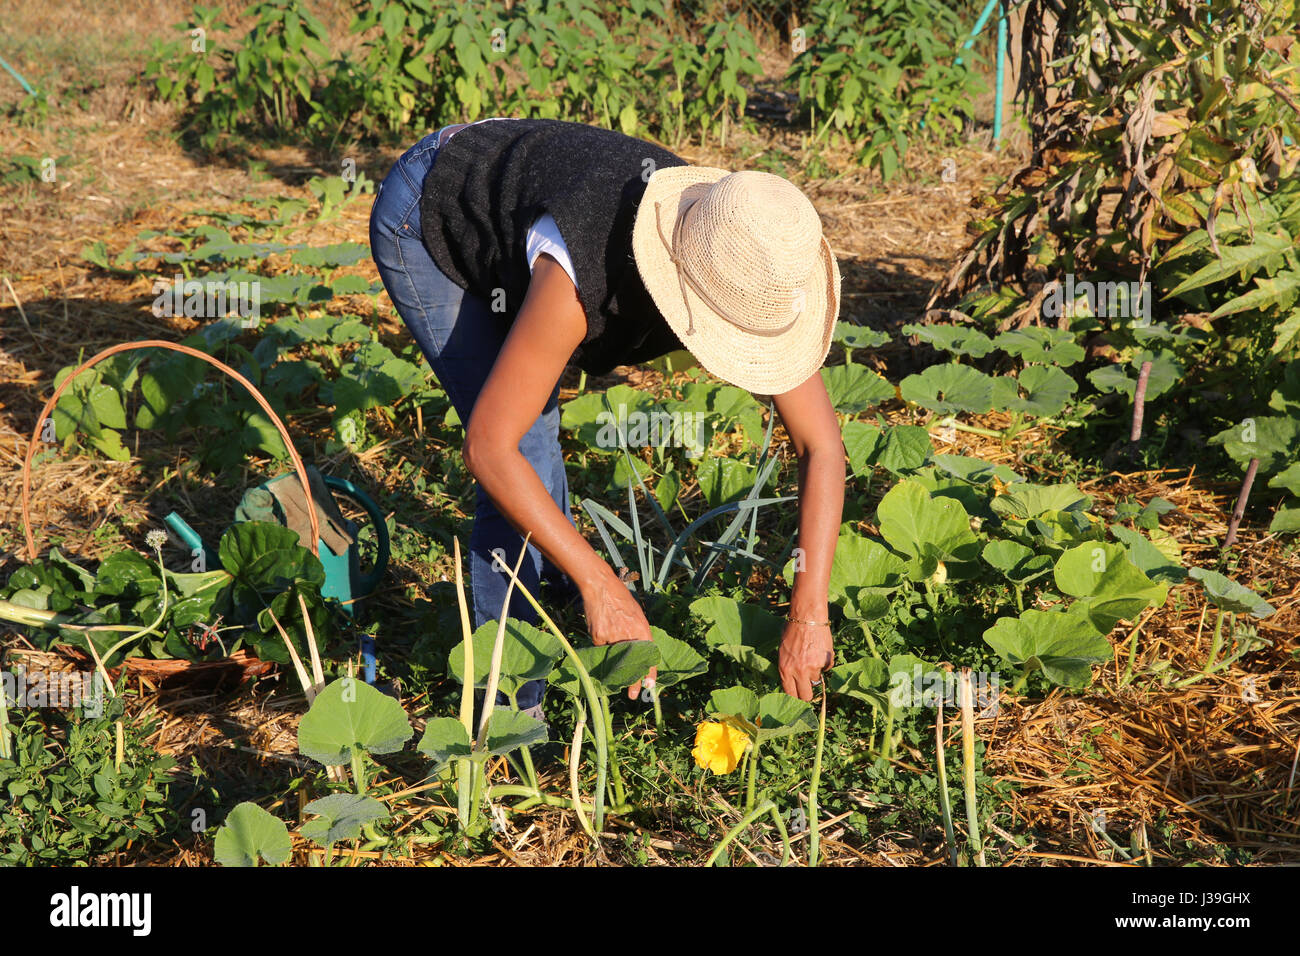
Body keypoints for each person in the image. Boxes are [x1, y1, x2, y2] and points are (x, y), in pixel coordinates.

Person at [368, 117, 844, 716]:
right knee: (522, 449)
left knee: (531, 432)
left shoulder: (752, 260)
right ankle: (508, 712)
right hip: (433, 209)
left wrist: (809, 613)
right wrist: (603, 584)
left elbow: (822, 448)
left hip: (533, 194)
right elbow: (490, 447)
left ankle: (565, 612)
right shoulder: (583, 270)